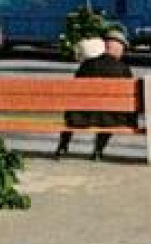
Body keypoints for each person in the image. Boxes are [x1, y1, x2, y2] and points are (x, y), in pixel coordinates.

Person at [57, 27, 138, 160]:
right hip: (110, 119)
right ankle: (98, 151)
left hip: (80, 117)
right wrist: (132, 121)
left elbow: (74, 93)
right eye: (123, 48)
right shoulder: (124, 69)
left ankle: (63, 145)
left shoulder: (87, 65)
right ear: (117, 48)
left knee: (73, 111)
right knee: (110, 115)